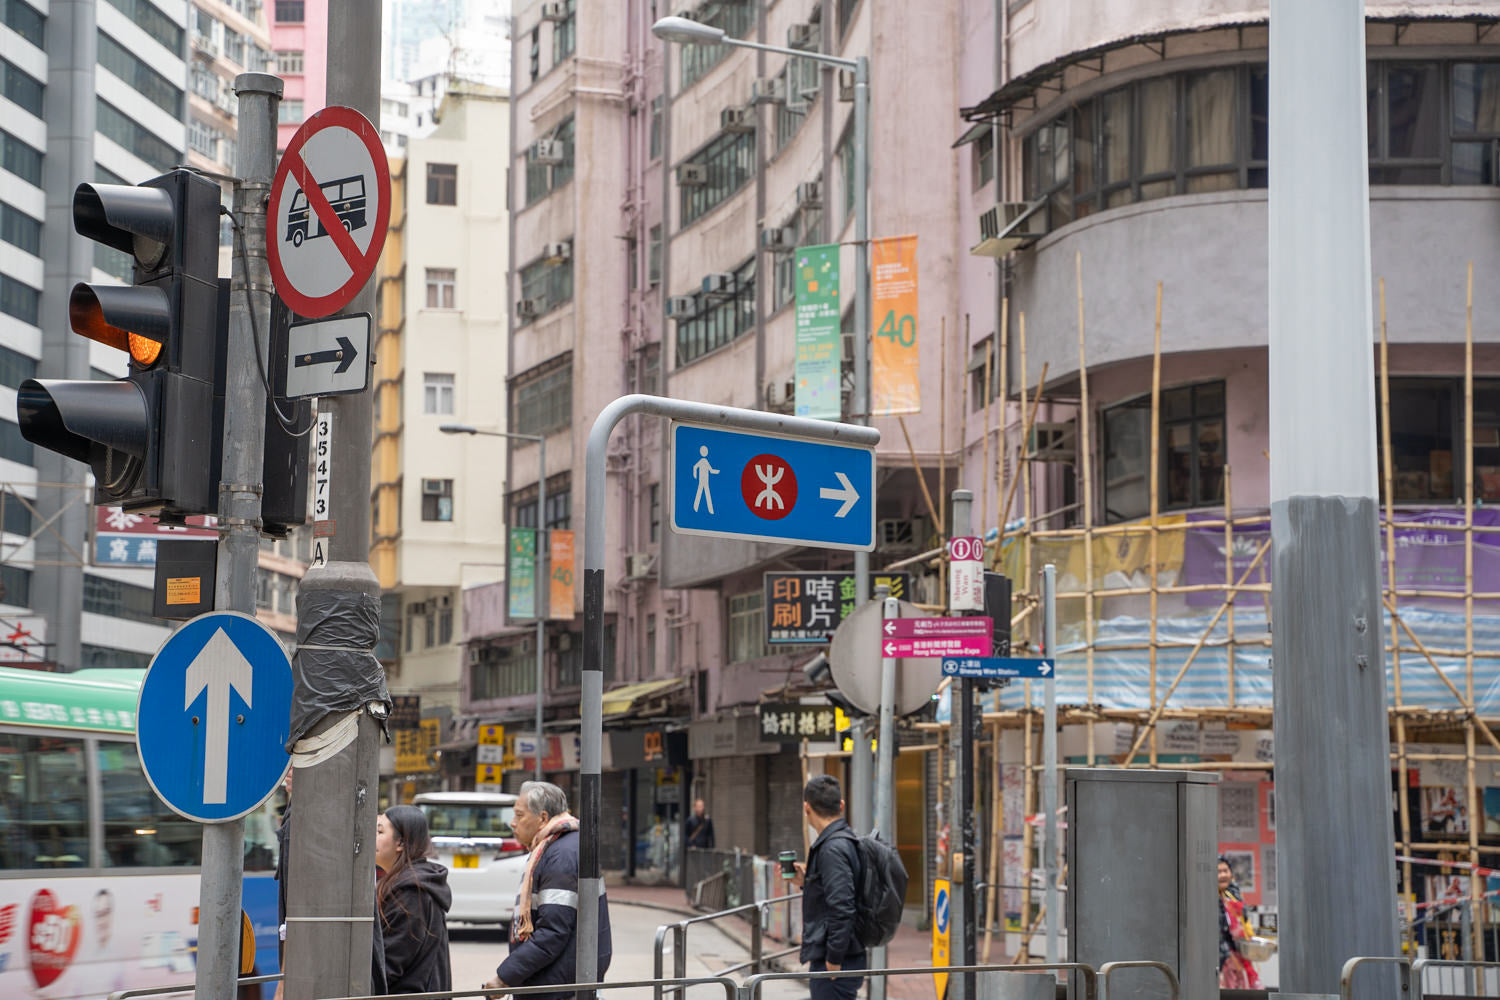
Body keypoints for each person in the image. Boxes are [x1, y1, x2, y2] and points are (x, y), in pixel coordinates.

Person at [484, 781, 613, 999]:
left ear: (543, 818)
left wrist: (504, 977)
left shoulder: (561, 855)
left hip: (557, 986)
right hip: (562, 980)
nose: (513, 823)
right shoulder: (562, 845)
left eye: (519, 815)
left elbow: (552, 932)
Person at [790, 775, 865, 1000]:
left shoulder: (832, 848)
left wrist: (834, 959)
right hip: (844, 954)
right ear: (841, 805)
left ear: (806, 808)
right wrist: (807, 882)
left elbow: (842, 906)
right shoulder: (842, 841)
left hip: (836, 960)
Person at [376, 805, 453, 994]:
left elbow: (390, 964)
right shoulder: (405, 883)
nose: (372, 837)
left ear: (400, 843)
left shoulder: (411, 892)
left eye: (379, 831)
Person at [1217, 856, 1261, 989]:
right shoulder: (1207, 898)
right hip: (1219, 962)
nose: (1223, 875)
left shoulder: (1232, 896)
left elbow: (1244, 926)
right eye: (1218, 872)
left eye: (1226, 870)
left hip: (1237, 958)